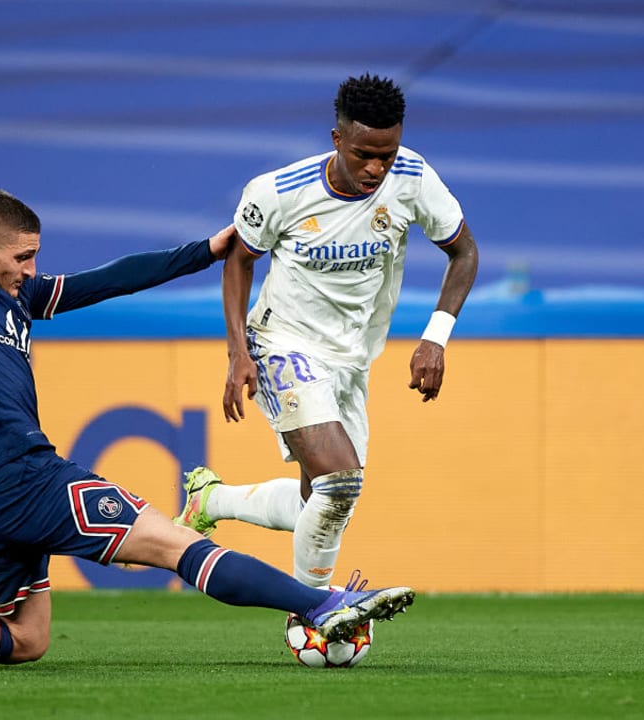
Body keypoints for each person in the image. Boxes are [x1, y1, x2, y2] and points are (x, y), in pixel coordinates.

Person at [0, 43, 415, 672]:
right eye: (21, 258)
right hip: (24, 474)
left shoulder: (19, 301)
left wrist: (205, 250)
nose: (31, 270)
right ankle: (319, 605)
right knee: (174, 542)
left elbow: (108, 279)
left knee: (25, 638)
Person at [175, 74, 478, 589]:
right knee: (339, 484)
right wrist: (236, 354)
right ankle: (313, 612)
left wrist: (435, 336)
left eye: (387, 153)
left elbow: (464, 251)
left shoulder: (413, 177)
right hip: (281, 342)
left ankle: (213, 500)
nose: (376, 168)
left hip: (352, 358)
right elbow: (238, 261)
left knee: (322, 504)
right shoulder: (278, 192)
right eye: (364, 154)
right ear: (337, 139)